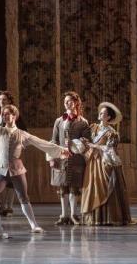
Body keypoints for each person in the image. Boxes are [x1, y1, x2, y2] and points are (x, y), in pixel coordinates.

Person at [0, 81, 69, 233]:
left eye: (8, 114)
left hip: (17, 170)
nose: (5, 116)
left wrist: (61, 151)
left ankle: (33, 224)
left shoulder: (22, 134)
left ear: (14, 116)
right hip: (1, 171)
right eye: (4, 114)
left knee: (23, 197)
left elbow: (41, 143)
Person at [81, 102, 137, 226]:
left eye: (103, 113)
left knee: (106, 188)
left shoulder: (112, 133)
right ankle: (94, 218)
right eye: (100, 112)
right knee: (92, 188)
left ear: (108, 117)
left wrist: (94, 145)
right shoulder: (93, 127)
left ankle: (109, 218)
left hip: (105, 161)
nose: (100, 114)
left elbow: (109, 149)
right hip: (93, 162)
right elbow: (89, 141)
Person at [49, 91, 90, 225]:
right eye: (66, 101)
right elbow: (53, 140)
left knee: (74, 186)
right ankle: (64, 215)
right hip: (61, 158)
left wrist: (73, 144)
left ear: (76, 103)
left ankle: (73, 214)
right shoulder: (59, 121)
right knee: (62, 187)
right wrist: (51, 157)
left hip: (76, 159)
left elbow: (86, 141)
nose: (67, 103)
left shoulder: (83, 122)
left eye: (70, 101)